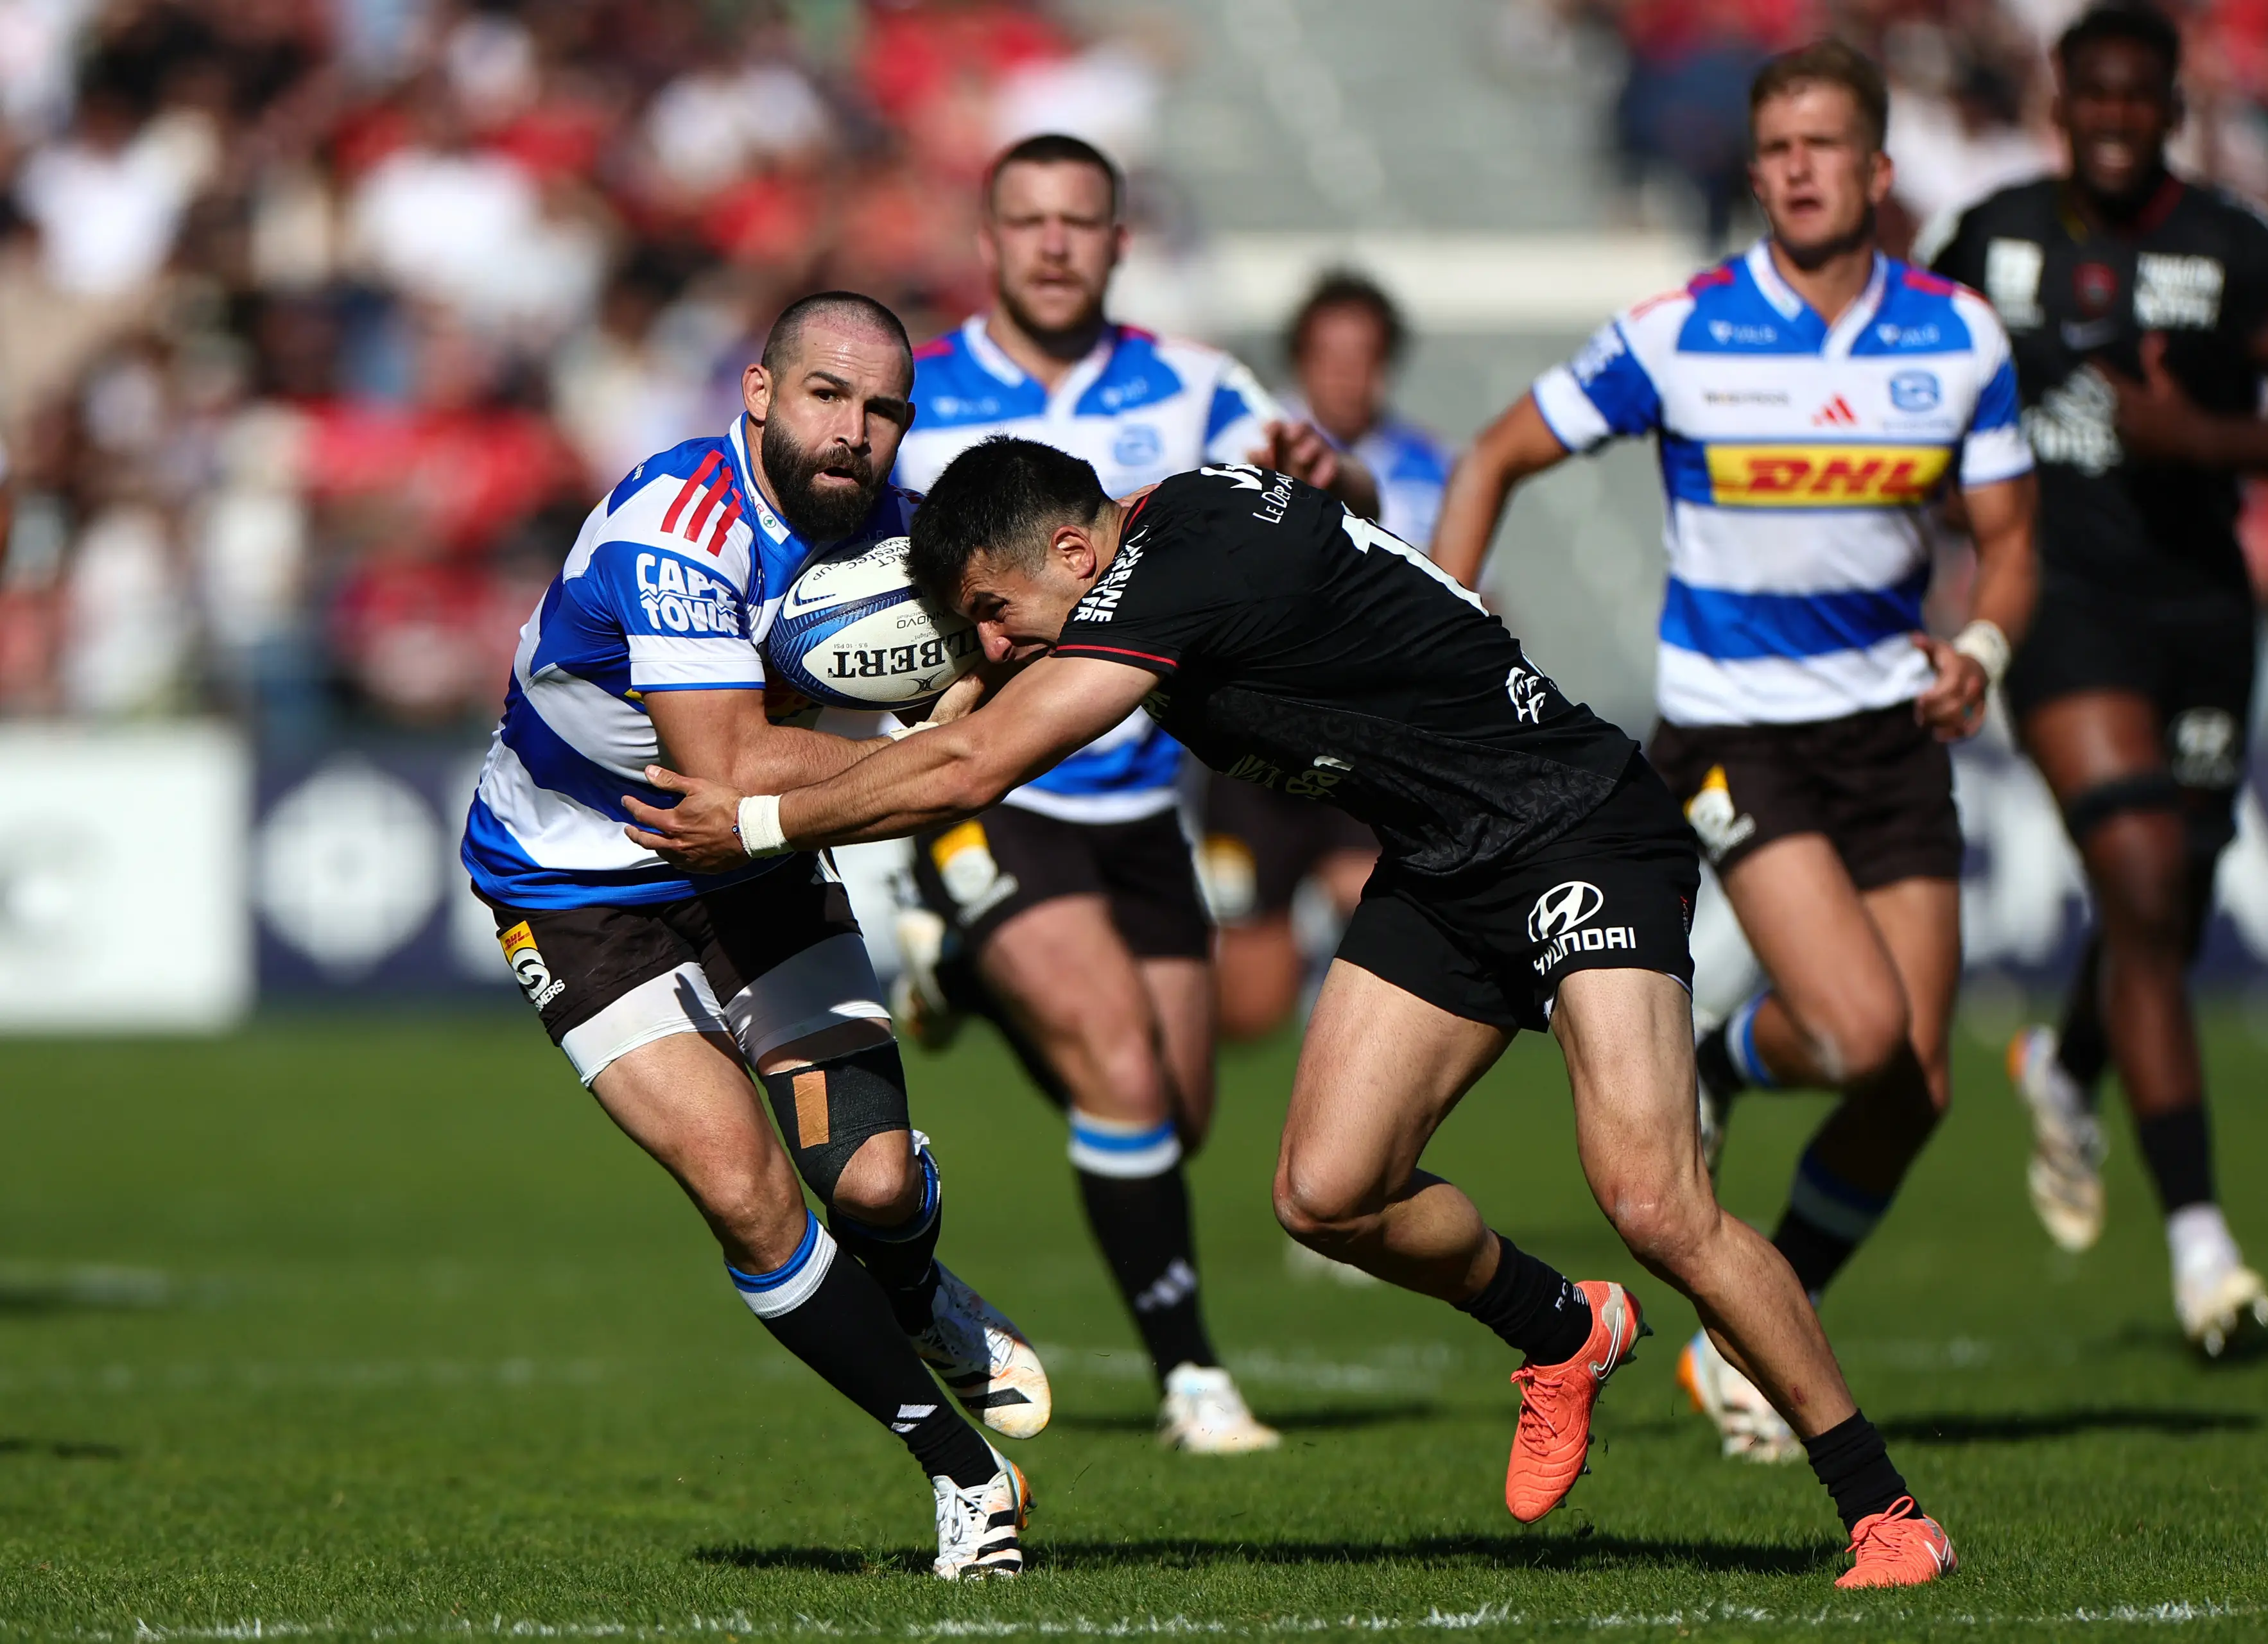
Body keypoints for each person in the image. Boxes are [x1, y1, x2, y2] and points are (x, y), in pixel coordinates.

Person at [623, 440, 1962, 1591]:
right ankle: (1566, 1332)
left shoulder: (1175, 572)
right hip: (1445, 863)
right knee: (1328, 1189)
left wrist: (753, 818)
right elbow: (1004, 688)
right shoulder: (1159, 527)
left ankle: (1886, 1510)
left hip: (1575, 829)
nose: (987, 640)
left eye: (994, 609)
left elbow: (976, 762)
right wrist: (974, 674)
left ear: (1081, 549)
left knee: (1655, 1198)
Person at [1432, 42, 2038, 1464]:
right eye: (1776, 149)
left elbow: (2010, 544)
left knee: (1917, 1084)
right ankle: (1729, 1053)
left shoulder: (1958, 337)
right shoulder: (1681, 329)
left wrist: (1987, 650)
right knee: (1860, 1028)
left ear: (1882, 171)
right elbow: (1493, 456)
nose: (1800, 170)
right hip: (1733, 730)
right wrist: (1447, 645)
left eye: (1827, 145)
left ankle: (1753, 1330)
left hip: (1889, 730)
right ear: (1753, 168)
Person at [458, 293, 1047, 1579]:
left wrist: (977, 682)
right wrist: (938, 753)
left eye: (884, 407)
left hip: (760, 862)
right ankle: (964, 1475)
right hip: (570, 886)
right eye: (828, 395)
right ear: (762, 391)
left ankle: (917, 1281)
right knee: (740, 1184)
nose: (855, 431)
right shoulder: (681, 524)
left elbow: (1013, 636)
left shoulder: (909, 534)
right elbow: (720, 763)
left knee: (878, 1186)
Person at [887, 134, 1377, 1453]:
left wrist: (1337, 479)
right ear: (988, 242)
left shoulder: (1201, 384)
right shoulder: (912, 396)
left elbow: (1336, 507)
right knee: (1117, 1067)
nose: (1054, 242)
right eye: (1029, 220)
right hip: (990, 791)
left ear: (1117, 241)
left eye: (1080, 220)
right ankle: (1194, 1380)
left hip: (1144, 805)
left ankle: (970, 975)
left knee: (1179, 1105)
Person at [1921, 1, 2268, 1356]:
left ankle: (2066, 1059)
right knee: (2134, 868)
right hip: (2055, 604)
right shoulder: (1989, 241)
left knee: (2162, 903)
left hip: (2200, 613)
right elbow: (1909, 382)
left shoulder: (2233, 246)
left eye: (2141, 101)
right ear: (2059, 102)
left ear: (2172, 109)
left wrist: (2206, 434)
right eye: (2094, 98)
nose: (2116, 121)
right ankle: (2201, 1248)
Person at [1203, 272, 1447, 1039]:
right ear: (1301, 359)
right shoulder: (1244, 447)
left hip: (1367, 752)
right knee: (1250, 1007)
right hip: (1254, 756)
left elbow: (1474, 597)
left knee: (1387, 924)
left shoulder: (1430, 469)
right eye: (1328, 354)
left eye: (1364, 355)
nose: (1346, 372)